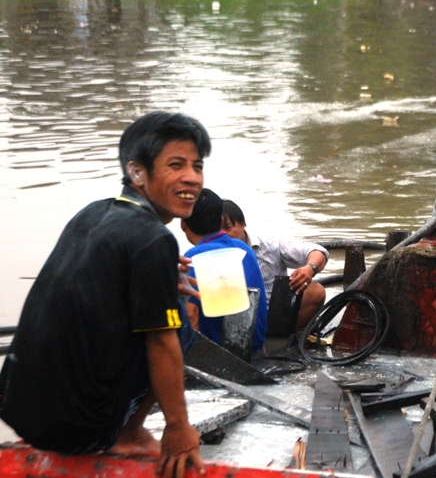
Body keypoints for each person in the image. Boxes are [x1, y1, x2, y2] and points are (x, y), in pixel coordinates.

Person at [0, 111, 208, 477]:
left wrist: (156, 274)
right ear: (138, 172)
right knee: (182, 319)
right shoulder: (152, 238)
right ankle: (125, 434)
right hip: (77, 431)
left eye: (197, 165)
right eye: (176, 165)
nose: (192, 177)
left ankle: (117, 424)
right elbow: (161, 343)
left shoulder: (94, 213)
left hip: (21, 411)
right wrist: (178, 429)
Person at [180, 188, 268, 353]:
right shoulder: (244, 248)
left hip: (223, 354)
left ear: (183, 224)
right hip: (255, 346)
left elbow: (190, 315)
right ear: (221, 221)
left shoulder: (193, 257)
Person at [220, 199, 327, 331]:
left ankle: (285, 338)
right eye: (217, 230)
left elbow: (317, 251)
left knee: (316, 291)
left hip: (277, 311)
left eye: (228, 228)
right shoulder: (210, 252)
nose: (222, 235)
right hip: (235, 317)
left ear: (242, 224)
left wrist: (310, 268)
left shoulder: (270, 245)